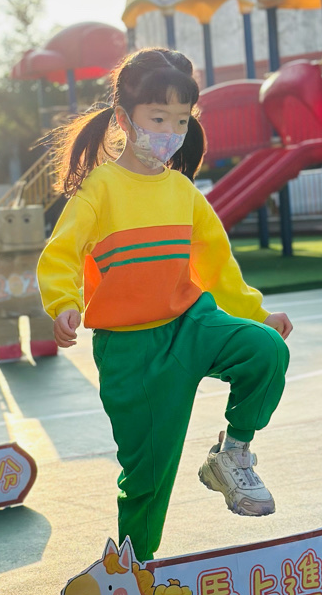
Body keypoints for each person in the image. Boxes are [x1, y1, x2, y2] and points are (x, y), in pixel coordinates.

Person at [37, 48, 292, 563]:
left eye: (181, 120)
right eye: (158, 118)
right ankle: (134, 570)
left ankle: (232, 454)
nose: (171, 132)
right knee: (147, 478)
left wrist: (256, 314)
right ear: (123, 119)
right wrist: (63, 303)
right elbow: (62, 252)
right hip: (131, 352)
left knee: (265, 349)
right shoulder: (100, 189)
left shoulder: (183, 190)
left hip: (191, 324)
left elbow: (217, 265)